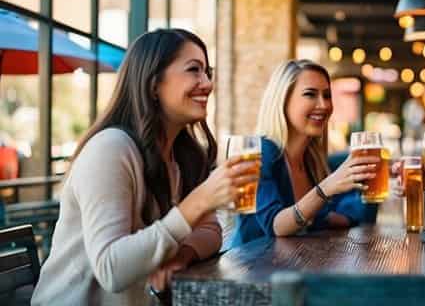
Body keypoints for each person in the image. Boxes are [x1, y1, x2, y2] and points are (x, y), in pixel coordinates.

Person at [32, 28, 257, 305]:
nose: (207, 83)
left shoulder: (183, 155)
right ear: (153, 84)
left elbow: (211, 232)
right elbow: (111, 269)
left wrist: (180, 255)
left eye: (207, 72)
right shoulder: (111, 150)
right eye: (194, 70)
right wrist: (198, 202)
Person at [230, 60, 375, 245]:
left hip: (294, 267)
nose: (323, 105)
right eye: (310, 94)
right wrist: (326, 189)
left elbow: (332, 217)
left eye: (327, 95)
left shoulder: (312, 161)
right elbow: (276, 226)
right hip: (248, 269)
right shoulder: (260, 152)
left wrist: (384, 180)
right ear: (283, 100)